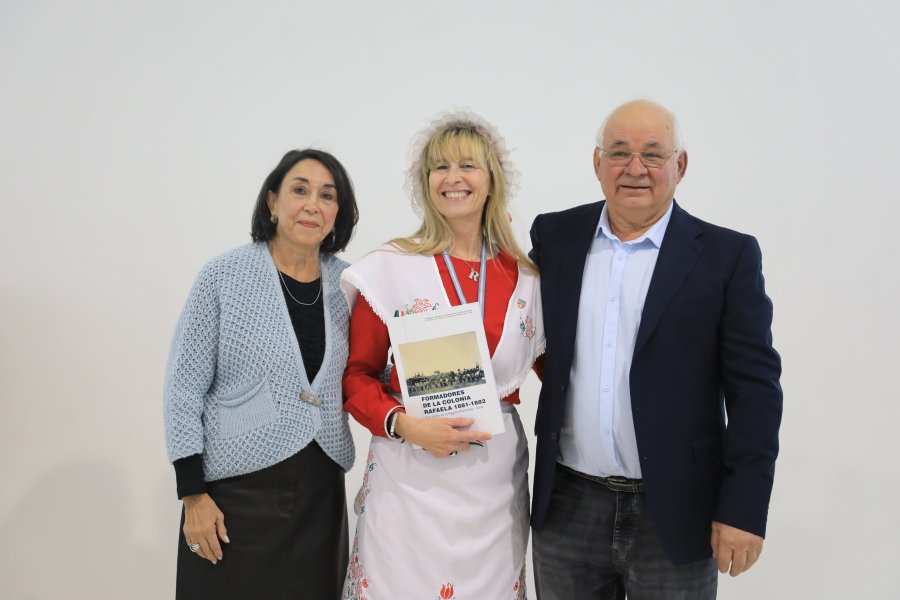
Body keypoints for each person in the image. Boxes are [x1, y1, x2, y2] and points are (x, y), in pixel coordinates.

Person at [529, 99, 783, 599]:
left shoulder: (726, 256)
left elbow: (756, 393)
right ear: (597, 163)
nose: (635, 168)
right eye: (619, 152)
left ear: (679, 165)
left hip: (678, 510)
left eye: (653, 154)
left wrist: (743, 508)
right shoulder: (556, 237)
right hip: (567, 506)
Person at [340, 109, 544, 599]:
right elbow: (357, 376)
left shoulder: (529, 279)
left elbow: (561, 376)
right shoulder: (390, 268)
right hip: (408, 476)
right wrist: (405, 424)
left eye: (467, 166)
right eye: (439, 167)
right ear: (424, 182)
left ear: (493, 179)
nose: (453, 179)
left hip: (492, 485)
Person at [163, 148, 359, 599]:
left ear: (338, 213)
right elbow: (183, 389)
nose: (313, 204)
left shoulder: (352, 285)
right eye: (300, 190)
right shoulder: (223, 276)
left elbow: (376, 368)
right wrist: (192, 496)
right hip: (233, 496)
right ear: (272, 201)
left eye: (327, 196)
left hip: (320, 492)